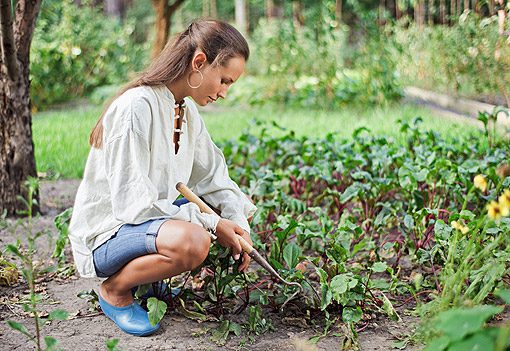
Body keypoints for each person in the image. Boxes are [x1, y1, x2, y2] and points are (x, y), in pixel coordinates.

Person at [68, 19, 257, 337]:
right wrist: (211, 224)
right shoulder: (136, 107)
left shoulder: (185, 110)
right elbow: (133, 206)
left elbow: (214, 176)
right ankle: (115, 290)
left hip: (142, 228)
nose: (224, 93)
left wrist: (239, 224)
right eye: (224, 80)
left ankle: (147, 284)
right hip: (107, 237)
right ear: (199, 62)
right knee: (194, 241)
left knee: (205, 213)